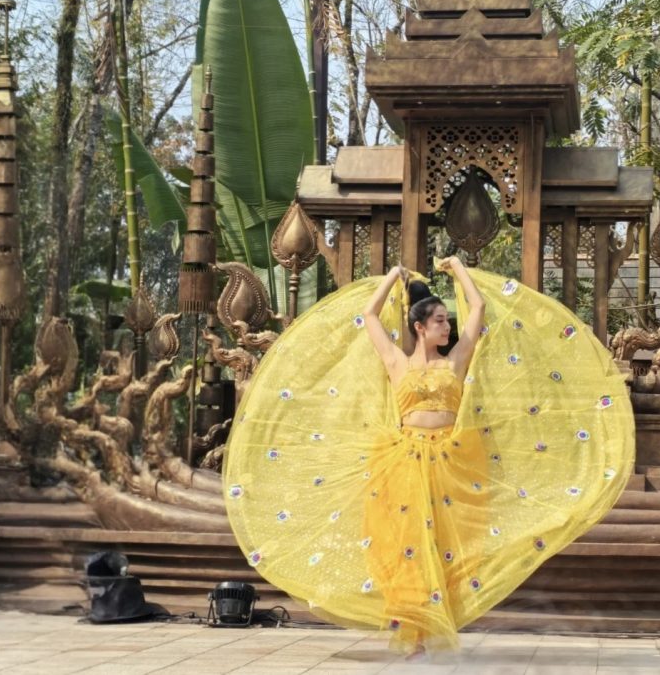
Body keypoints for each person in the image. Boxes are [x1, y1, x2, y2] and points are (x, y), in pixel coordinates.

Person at [224, 257, 635, 656]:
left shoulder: (455, 361)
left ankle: (435, 622)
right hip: (401, 461)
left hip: (450, 462)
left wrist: (457, 269)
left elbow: (478, 308)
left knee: (443, 546)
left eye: (447, 320)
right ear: (419, 327)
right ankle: (414, 632)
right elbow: (369, 316)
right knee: (405, 546)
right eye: (439, 320)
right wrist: (391, 278)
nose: (447, 325)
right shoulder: (397, 363)